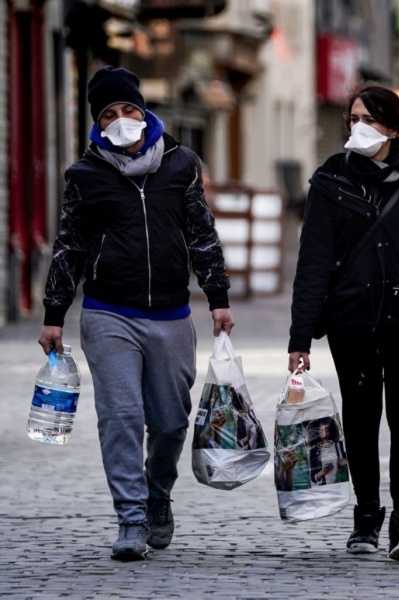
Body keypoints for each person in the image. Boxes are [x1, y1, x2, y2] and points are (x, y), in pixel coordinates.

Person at [37, 66, 234, 561]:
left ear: (144, 112)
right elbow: (69, 247)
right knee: (120, 416)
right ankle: (130, 519)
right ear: (97, 123)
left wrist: (219, 298)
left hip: (170, 314)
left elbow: (202, 233)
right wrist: (54, 312)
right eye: (109, 114)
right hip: (108, 314)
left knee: (169, 422)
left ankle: (157, 495)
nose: (121, 119)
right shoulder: (83, 176)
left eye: (128, 109)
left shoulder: (181, 163)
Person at [288, 82, 399, 562]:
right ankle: (366, 514)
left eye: (371, 120)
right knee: (360, 418)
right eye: (354, 118)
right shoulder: (330, 179)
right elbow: (313, 261)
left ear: (394, 128)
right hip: (351, 317)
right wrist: (300, 337)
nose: (360, 127)